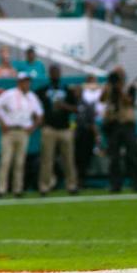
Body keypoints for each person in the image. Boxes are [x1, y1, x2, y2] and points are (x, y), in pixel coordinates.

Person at [0, 73, 43, 197]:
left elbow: (40, 114)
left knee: (20, 162)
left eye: (28, 82)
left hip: (23, 131)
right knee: (5, 161)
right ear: (19, 82)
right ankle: (1, 189)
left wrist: (33, 127)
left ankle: (18, 189)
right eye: (24, 81)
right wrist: (1, 123)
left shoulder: (32, 97)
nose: (27, 84)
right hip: (9, 131)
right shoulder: (9, 94)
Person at [36, 65, 79, 195]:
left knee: (68, 159)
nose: (55, 74)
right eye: (52, 72)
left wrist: (63, 106)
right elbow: (34, 107)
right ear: (49, 74)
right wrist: (40, 121)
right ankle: (45, 186)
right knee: (46, 159)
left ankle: (71, 185)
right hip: (49, 128)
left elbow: (76, 109)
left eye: (57, 72)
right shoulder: (42, 91)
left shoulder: (67, 90)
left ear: (60, 74)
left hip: (65, 128)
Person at [101, 68, 137, 193]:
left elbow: (130, 101)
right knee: (114, 157)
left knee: (131, 155)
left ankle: (136, 182)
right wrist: (108, 87)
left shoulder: (130, 87)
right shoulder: (109, 88)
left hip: (127, 124)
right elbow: (101, 100)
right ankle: (115, 184)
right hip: (114, 124)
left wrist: (120, 90)